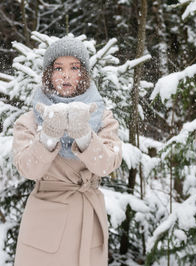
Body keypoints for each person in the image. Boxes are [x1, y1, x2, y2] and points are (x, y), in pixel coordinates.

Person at [12, 36, 122, 266]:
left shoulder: (102, 117)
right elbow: (27, 169)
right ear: (48, 75)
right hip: (45, 223)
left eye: (74, 67)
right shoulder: (30, 120)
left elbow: (108, 164)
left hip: (89, 221)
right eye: (58, 68)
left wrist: (84, 136)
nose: (66, 75)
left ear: (84, 74)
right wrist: (48, 136)